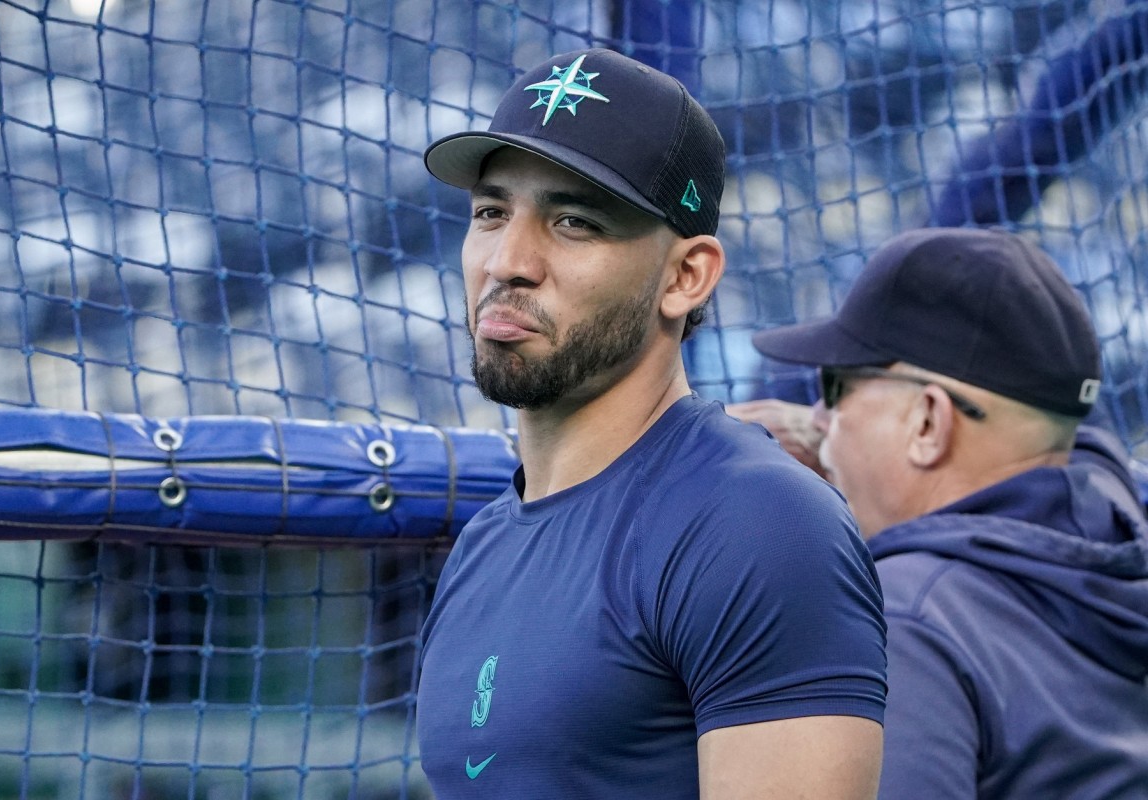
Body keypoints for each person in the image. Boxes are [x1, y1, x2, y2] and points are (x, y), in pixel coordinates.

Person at [415, 48, 887, 798]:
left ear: (685, 276)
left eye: (574, 221)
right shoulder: (486, 542)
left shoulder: (755, 523)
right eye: (491, 212)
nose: (508, 260)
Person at [735, 226, 1148, 799]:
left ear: (928, 422)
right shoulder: (1119, 544)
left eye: (835, 387)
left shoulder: (911, 619)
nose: (819, 417)